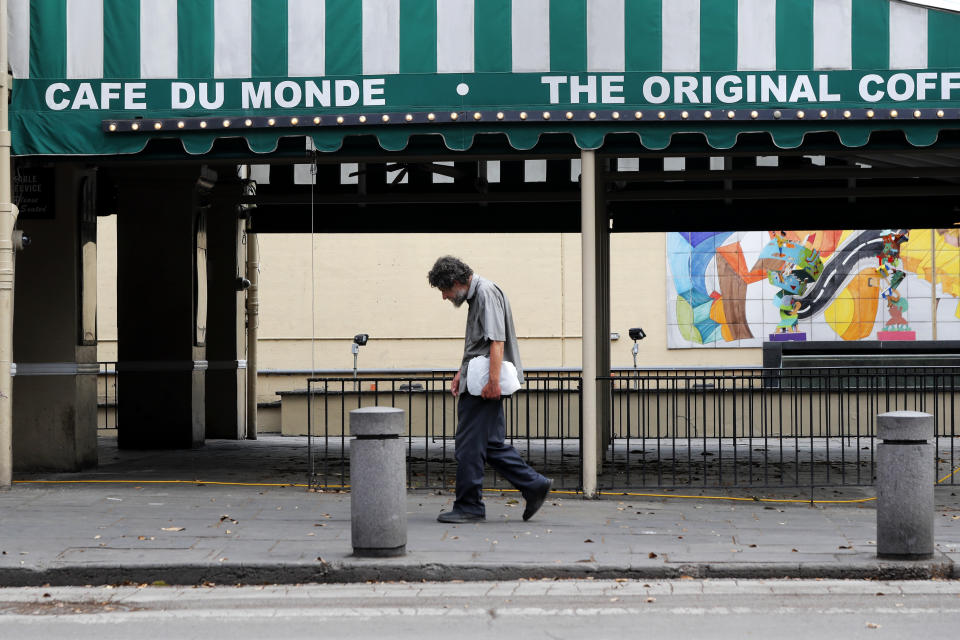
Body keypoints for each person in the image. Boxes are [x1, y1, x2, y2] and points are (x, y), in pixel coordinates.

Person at [427, 256, 552, 524]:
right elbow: (481, 345)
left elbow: (497, 341)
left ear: (456, 282)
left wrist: (493, 382)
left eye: (444, 290)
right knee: (491, 444)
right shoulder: (480, 295)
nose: (444, 297)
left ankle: (469, 506)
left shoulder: (484, 293)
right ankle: (534, 485)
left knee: (468, 445)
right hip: (480, 381)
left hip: (483, 387)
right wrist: (462, 372)